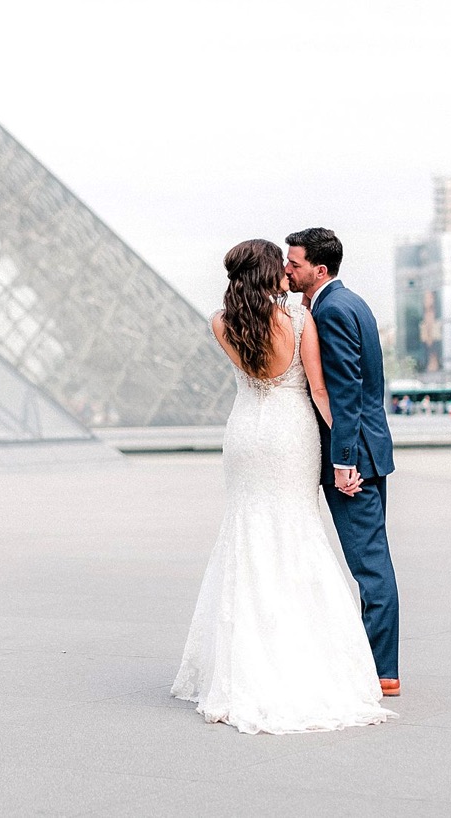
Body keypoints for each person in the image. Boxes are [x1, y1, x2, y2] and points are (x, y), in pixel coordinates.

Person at [172, 239, 393, 734]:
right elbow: (318, 390)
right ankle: (305, 655)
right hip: (292, 434)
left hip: (246, 434)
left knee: (246, 536)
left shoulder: (220, 322)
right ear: (270, 272)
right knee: (297, 533)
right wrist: (346, 456)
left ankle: (241, 663)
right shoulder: (296, 321)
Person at [285, 228, 402, 697]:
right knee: (372, 561)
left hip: (355, 457)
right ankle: (381, 665)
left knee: (370, 565)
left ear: (319, 268)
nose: (286, 270)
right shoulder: (351, 301)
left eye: (293, 263)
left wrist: (343, 462)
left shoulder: (330, 310)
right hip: (372, 448)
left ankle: (382, 671)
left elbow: (345, 392)